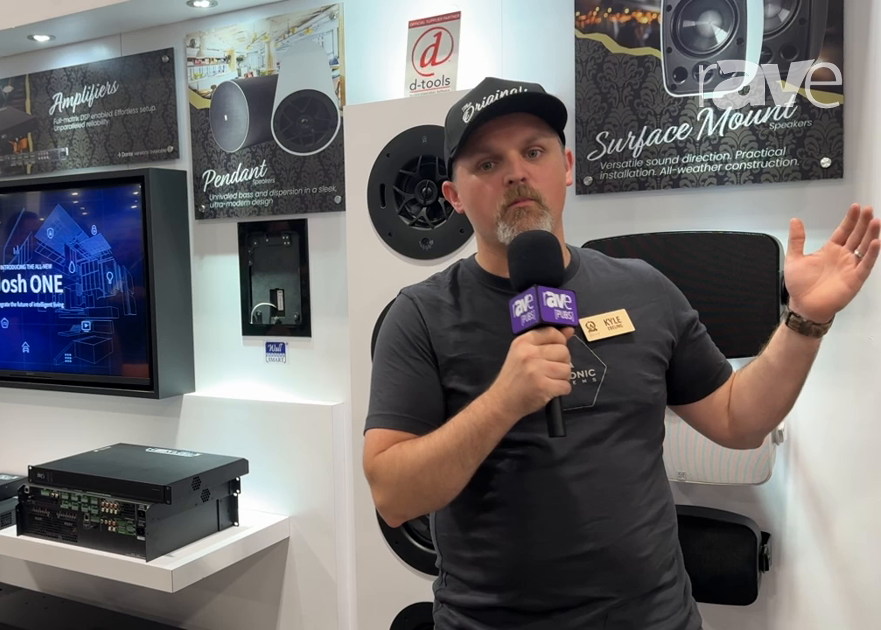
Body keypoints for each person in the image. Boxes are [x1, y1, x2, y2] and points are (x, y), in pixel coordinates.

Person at [362, 77, 880, 630]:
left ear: (566, 166)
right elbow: (394, 495)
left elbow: (738, 420)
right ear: (453, 197)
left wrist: (805, 322)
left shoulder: (643, 288)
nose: (515, 173)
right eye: (487, 163)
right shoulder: (420, 316)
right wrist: (502, 403)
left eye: (533, 152)